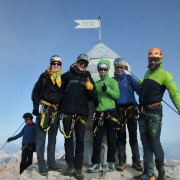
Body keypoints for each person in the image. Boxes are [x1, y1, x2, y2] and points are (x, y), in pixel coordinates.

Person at [132, 48, 180, 180]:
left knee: (154, 142)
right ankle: (149, 173)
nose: (153, 61)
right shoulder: (148, 73)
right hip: (142, 113)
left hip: (155, 114)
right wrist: (135, 79)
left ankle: (161, 174)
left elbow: (174, 94)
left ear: (160, 60)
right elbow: (145, 88)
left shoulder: (166, 75)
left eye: (155, 59)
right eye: (151, 59)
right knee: (146, 143)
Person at [60, 54, 97, 180]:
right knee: (68, 139)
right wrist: (60, 109)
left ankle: (78, 168)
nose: (83, 65)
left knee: (80, 141)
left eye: (85, 63)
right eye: (81, 62)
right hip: (67, 112)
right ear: (77, 62)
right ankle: (70, 165)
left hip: (81, 114)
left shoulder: (88, 78)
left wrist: (91, 89)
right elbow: (60, 92)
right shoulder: (67, 76)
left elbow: (94, 96)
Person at [32, 55, 62, 176]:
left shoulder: (61, 79)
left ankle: (51, 163)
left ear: (61, 66)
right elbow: (35, 92)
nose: (56, 65)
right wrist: (35, 108)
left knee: (53, 139)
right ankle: (42, 165)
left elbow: (62, 95)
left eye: (58, 64)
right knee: (41, 139)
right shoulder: (44, 76)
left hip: (55, 110)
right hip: (43, 110)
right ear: (50, 64)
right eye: (53, 63)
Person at [87, 59, 120, 173]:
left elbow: (117, 95)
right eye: (100, 69)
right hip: (98, 112)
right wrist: (93, 98)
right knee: (97, 139)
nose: (102, 71)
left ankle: (111, 161)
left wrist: (108, 90)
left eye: (105, 69)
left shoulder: (112, 81)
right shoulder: (96, 84)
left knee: (111, 138)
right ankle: (95, 162)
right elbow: (93, 96)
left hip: (111, 111)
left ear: (108, 69)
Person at [114, 57, 143, 172]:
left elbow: (140, 91)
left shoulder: (130, 79)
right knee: (121, 137)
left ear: (125, 68)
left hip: (131, 110)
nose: (120, 69)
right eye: (117, 68)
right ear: (115, 68)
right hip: (119, 111)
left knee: (133, 137)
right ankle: (122, 161)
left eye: (122, 67)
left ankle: (136, 161)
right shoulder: (112, 81)